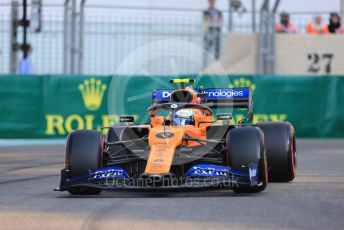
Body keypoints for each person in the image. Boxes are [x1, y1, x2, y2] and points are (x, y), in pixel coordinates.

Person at [203, 0, 223, 66]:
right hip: (209, 33)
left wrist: (213, 20)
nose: (212, 2)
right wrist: (214, 20)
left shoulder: (218, 11)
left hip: (217, 33)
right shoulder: (206, 11)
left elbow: (220, 21)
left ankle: (216, 65)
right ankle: (205, 65)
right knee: (207, 49)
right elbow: (206, 21)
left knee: (217, 50)